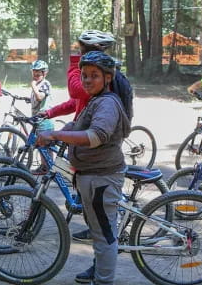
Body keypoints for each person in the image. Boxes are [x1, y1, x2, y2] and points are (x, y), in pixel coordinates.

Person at [36, 51, 131, 285]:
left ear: (108, 78)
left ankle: (103, 281)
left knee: (104, 237)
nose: (87, 80)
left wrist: (56, 133)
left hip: (101, 178)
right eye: (84, 75)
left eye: (94, 76)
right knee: (100, 232)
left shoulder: (107, 103)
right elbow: (80, 125)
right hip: (91, 176)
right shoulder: (95, 101)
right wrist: (60, 131)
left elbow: (97, 135)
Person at [38, 29, 117, 242]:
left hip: (91, 140)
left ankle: (100, 227)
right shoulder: (93, 86)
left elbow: (74, 90)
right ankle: (92, 221)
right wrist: (50, 112)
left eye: (82, 49)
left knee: (92, 192)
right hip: (81, 131)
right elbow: (75, 102)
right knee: (79, 180)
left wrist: (76, 63)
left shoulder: (95, 80)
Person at [28, 60, 55, 175]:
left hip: (45, 122)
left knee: (45, 146)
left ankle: (48, 168)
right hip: (37, 120)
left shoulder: (45, 84)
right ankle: (45, 166)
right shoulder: (39, 84)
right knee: (41, 145)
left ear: (45, 73)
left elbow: (39, 97)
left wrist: (33, 85)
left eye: (38, 74)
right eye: (34, 73)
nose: (35, 76)